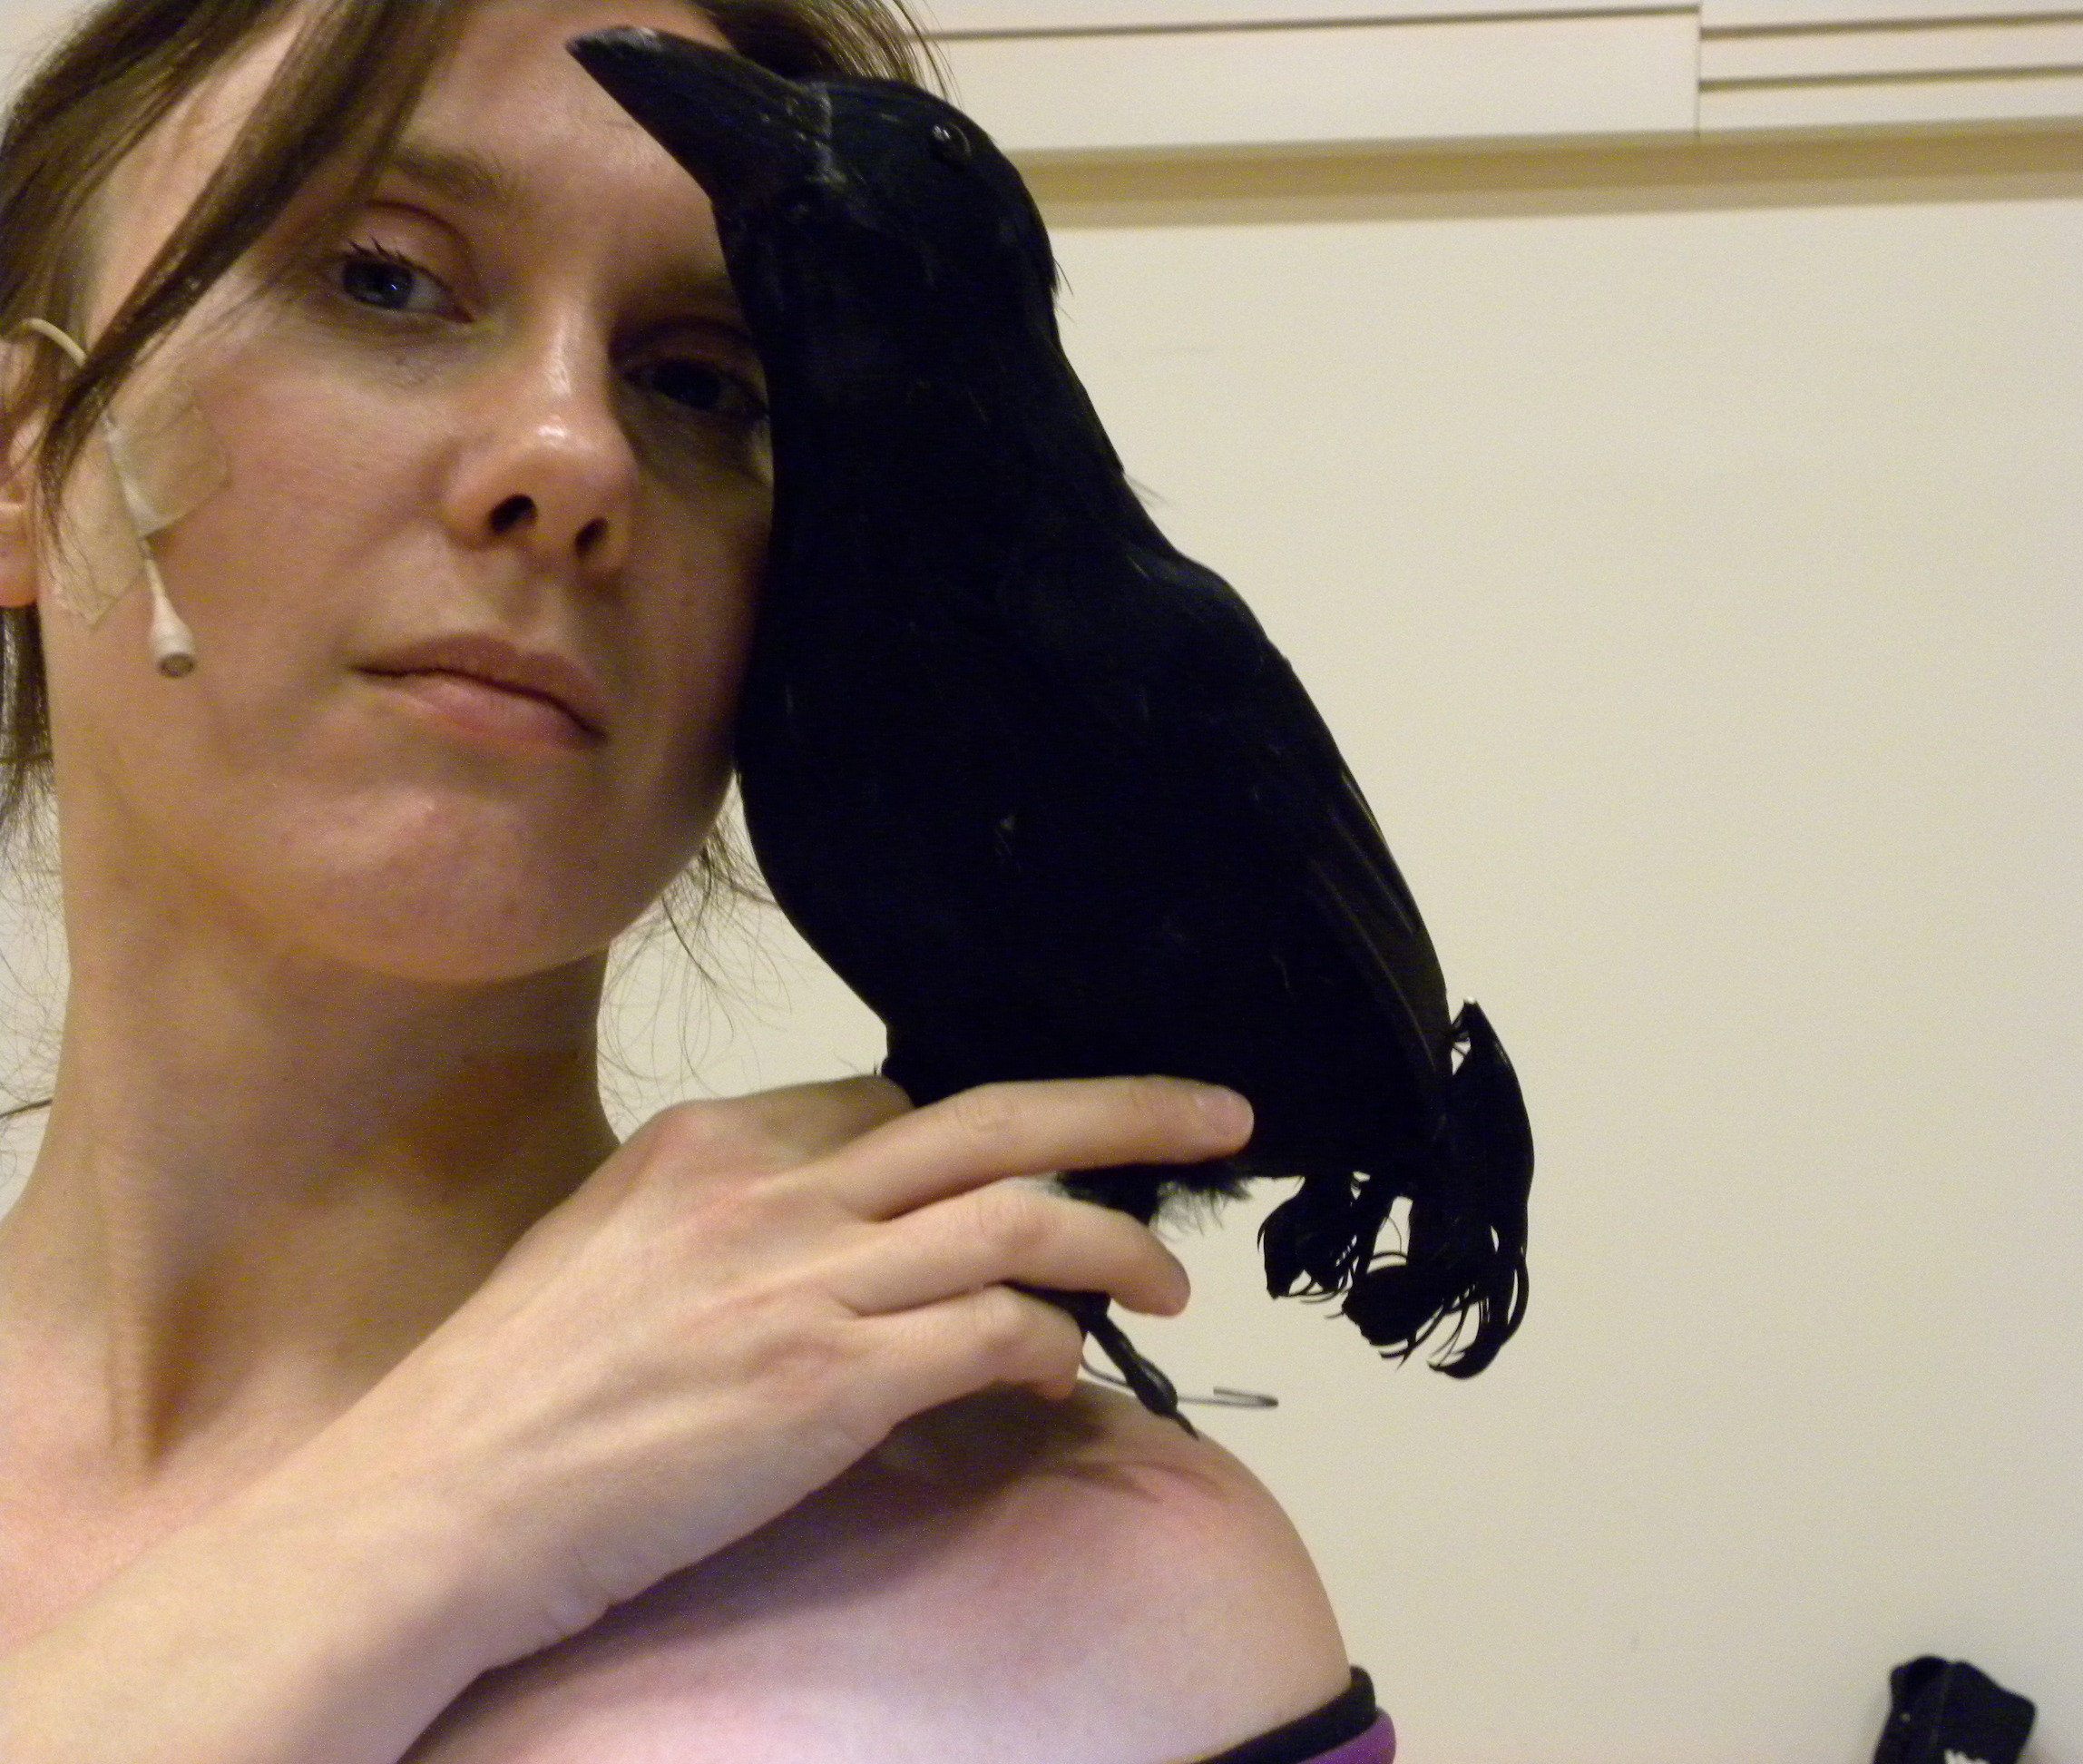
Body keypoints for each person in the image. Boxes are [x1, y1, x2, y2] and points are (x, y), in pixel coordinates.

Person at [0, 1, 1389, 1758]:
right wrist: (416, 1517)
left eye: (701, 382)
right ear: (24, 456)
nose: (572, 455)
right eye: (386, 280)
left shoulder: (1097, 1602)